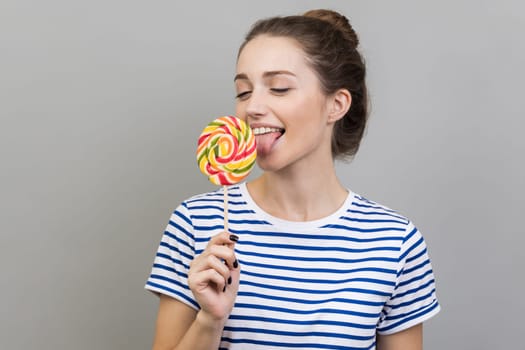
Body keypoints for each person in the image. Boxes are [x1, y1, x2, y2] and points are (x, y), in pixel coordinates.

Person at [145, 8, 440, 350]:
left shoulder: (394, 241)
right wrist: (210, 320)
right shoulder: (196, 223)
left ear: (336, 104)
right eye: (243, 92)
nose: (252, 106)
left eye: (279, 88)